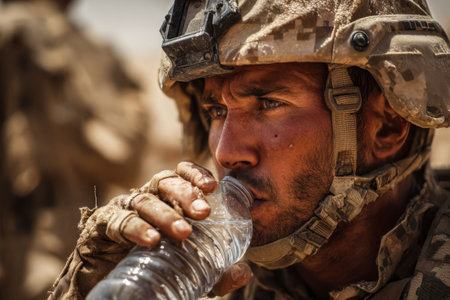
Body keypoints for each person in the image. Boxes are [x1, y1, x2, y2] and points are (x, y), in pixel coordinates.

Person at [49, 0, 450, 299]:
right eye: (216, 110)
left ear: (386, 127)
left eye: (270, 104)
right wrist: (92, 282)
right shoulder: (210, 280)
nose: (226, 153)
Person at [0, 0, 148, 299]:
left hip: (39, 234)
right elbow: (128, 155)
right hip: (87, 230)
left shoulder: (14, 33)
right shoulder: (97, 50)